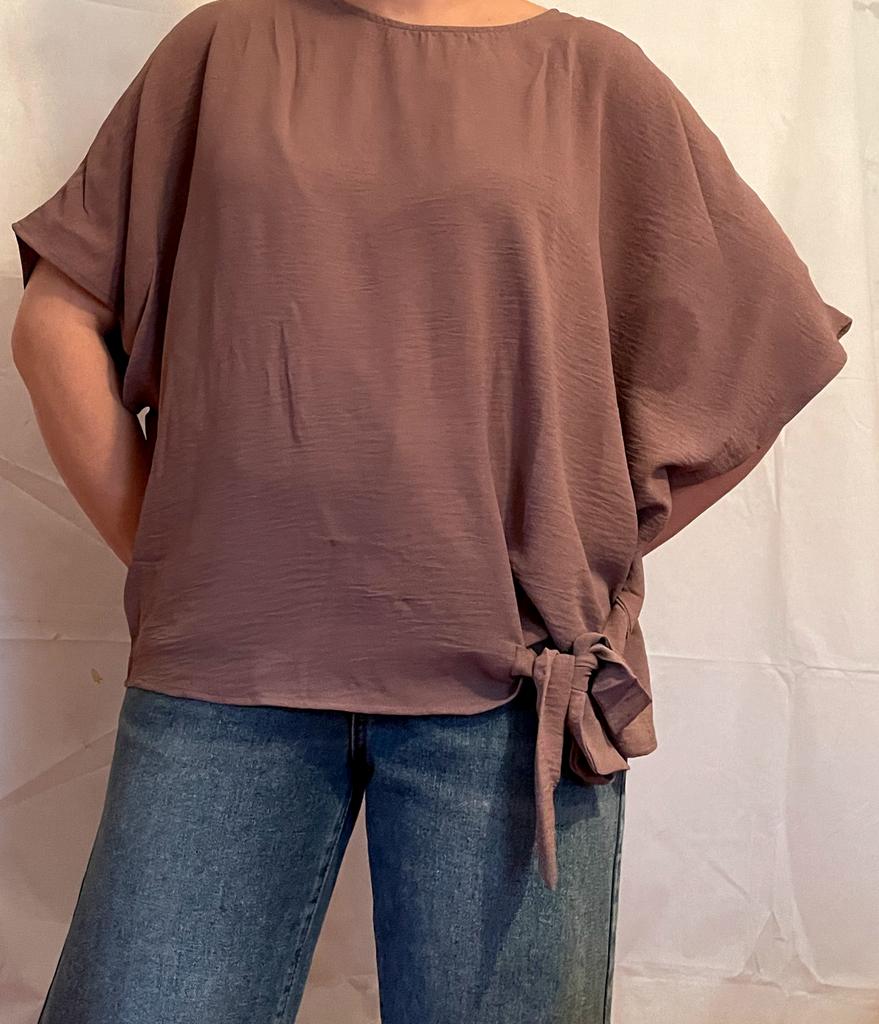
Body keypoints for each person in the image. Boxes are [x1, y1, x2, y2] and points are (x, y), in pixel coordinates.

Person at [9, 0, 851, 1021]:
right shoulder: (221, 49)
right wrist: (173, 556)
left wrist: (576, 554)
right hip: (222, 678)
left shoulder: (592, 79)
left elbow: (763, 351)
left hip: (508, 703)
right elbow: (57, 321)